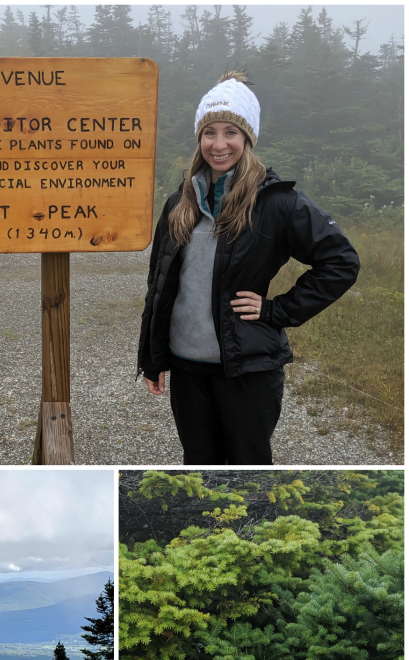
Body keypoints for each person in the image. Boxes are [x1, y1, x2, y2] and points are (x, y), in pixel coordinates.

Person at [138, 71, 360, 465]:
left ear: (247, 138)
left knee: (248, 467)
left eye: (231, 133)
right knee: (199, 465)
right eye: (209, 132)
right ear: (198, 137)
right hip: (188, 371)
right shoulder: (179, 202)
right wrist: (153, 359)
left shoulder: (277, 202)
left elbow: (341, 262)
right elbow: (159, 285)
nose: (218, 145)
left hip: (246, 370)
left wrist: (277, 311)